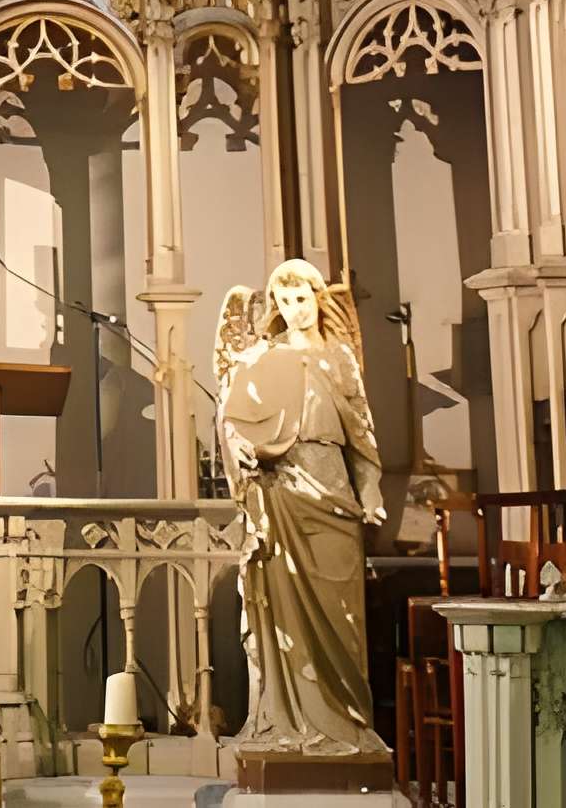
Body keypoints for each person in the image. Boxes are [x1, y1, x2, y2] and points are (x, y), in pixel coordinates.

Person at [217, 258, 384, 762]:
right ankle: (290, 719)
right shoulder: (263, 358)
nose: (295, 309)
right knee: (286, 614)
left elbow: (362, 432)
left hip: (331, 488)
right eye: (285, 301)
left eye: (302, 298)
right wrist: (244, 449)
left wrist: (371, 491)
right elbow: (233, 418)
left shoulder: (339, 357)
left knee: (342, 617)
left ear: (317, 299)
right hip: (282, 489)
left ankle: (348, 723)